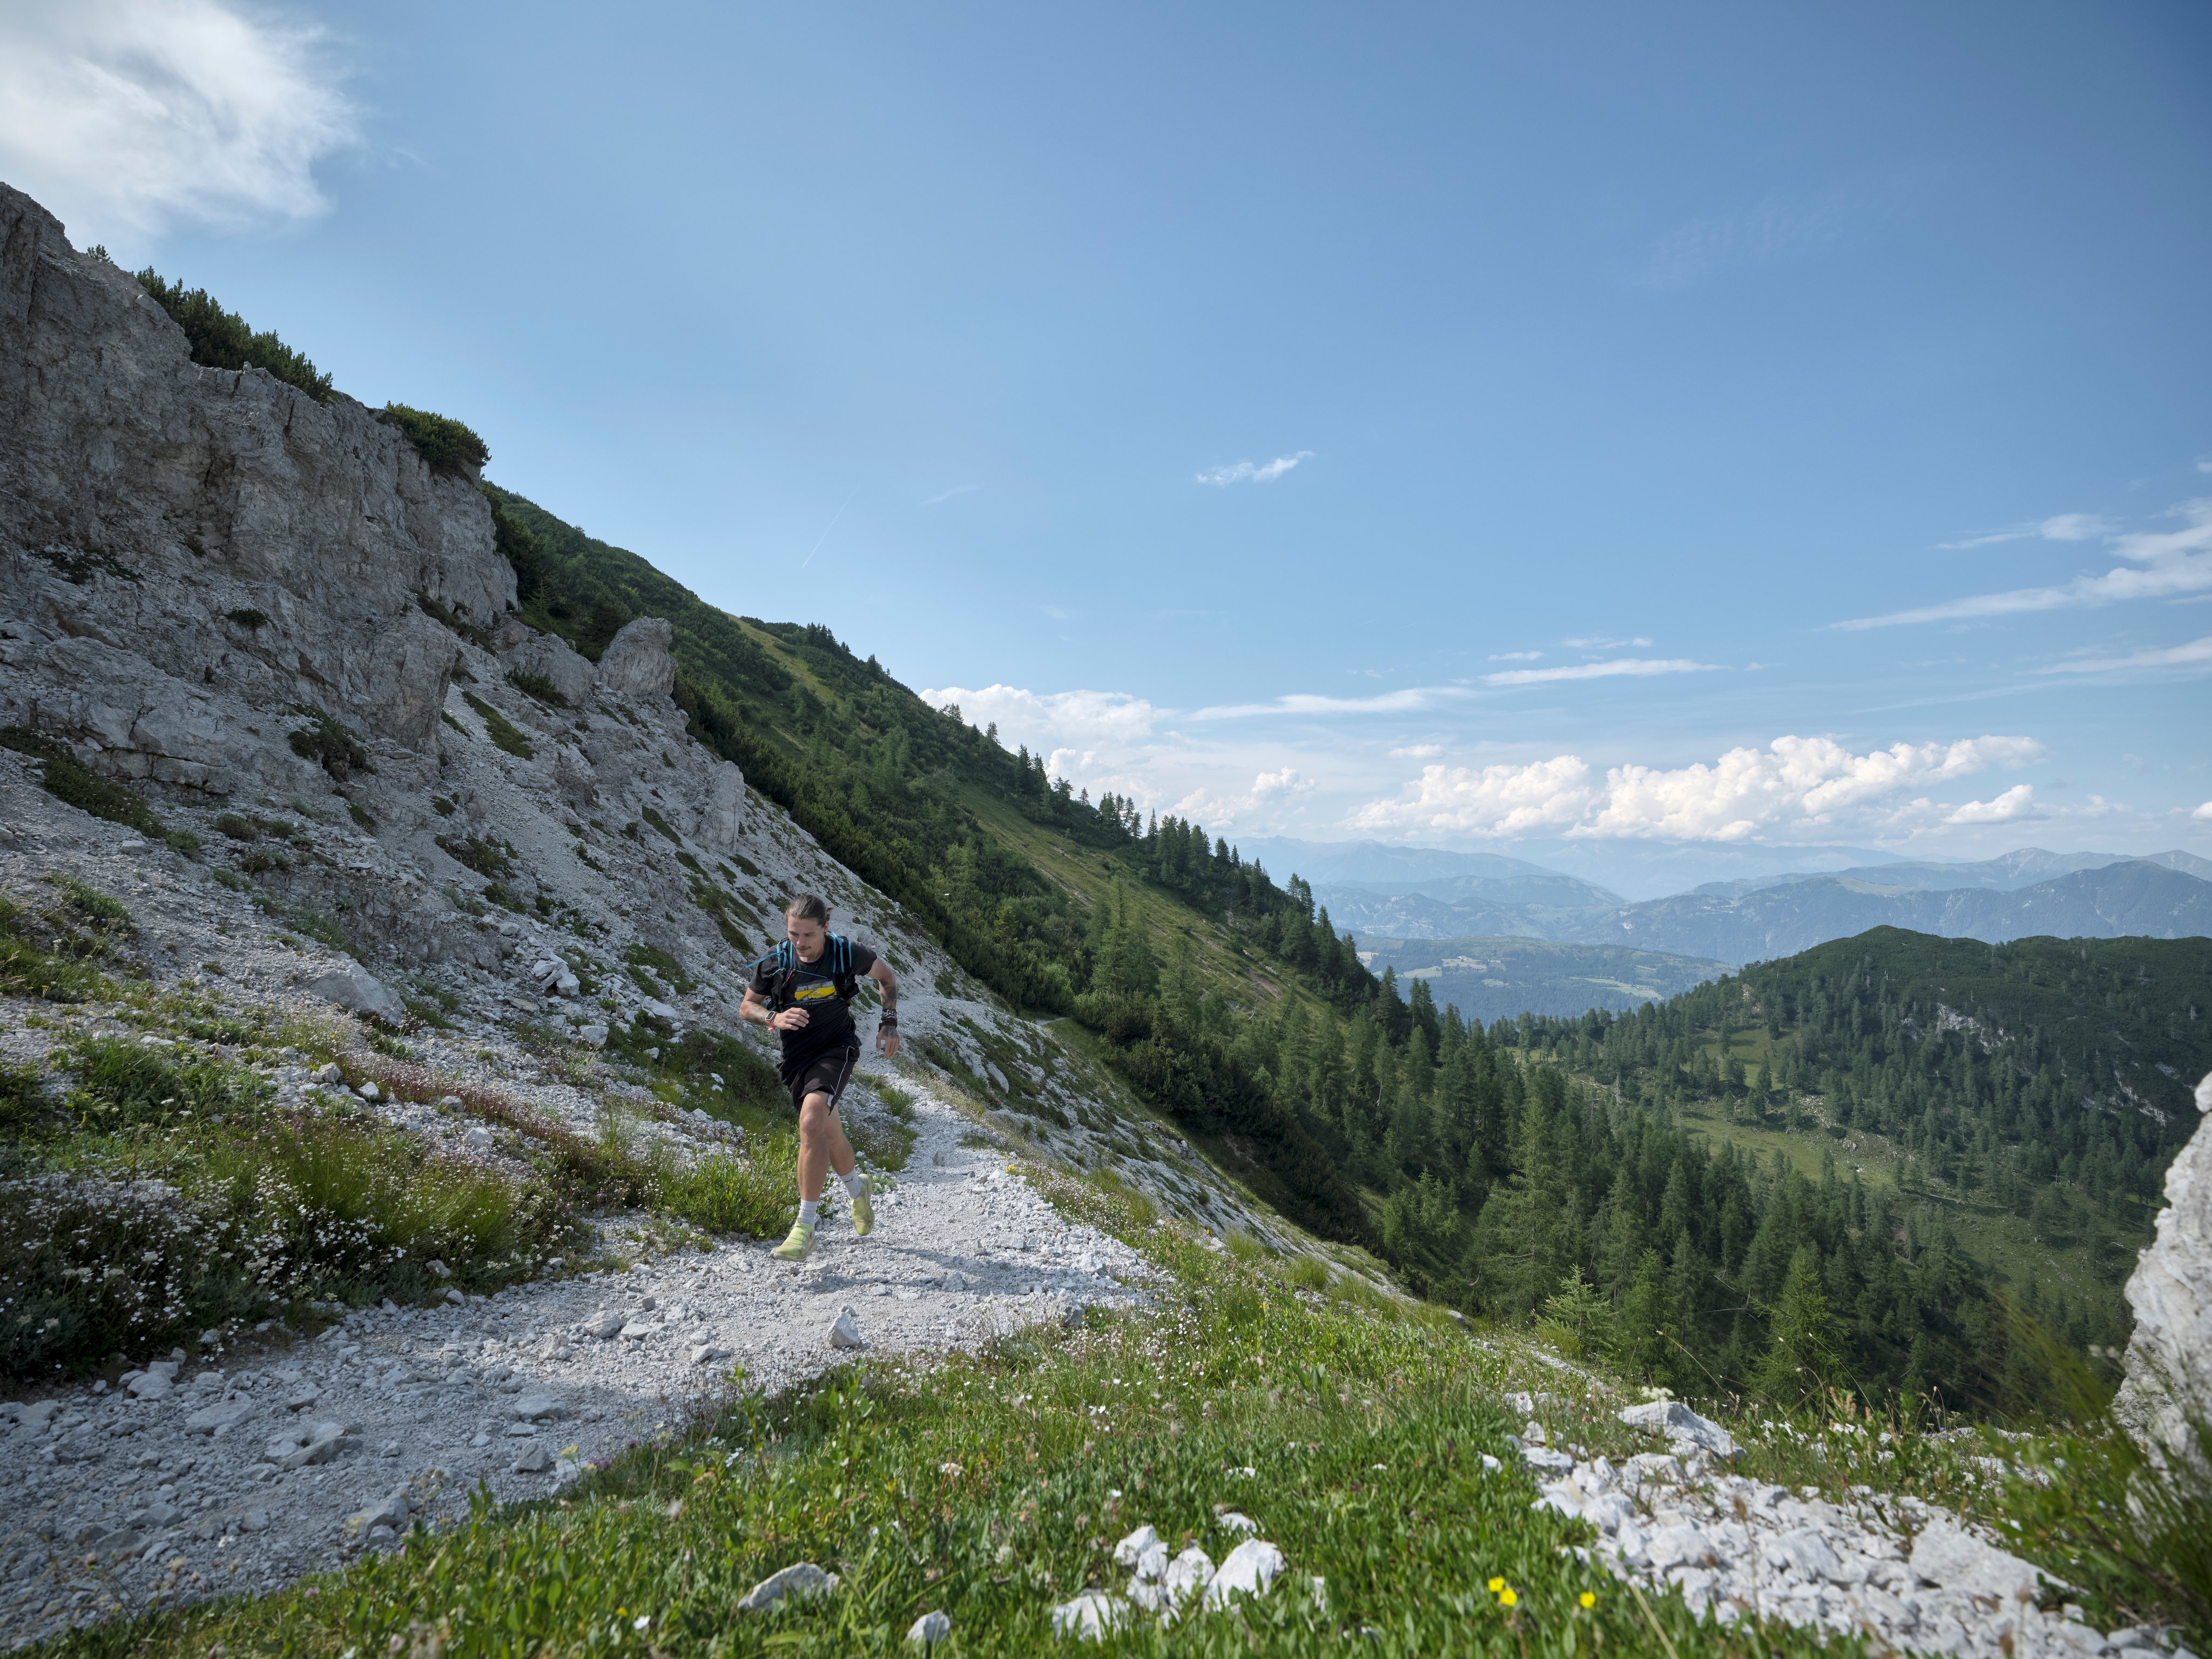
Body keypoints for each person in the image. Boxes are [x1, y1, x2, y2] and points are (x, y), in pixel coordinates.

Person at [740, 892, 900, 1262]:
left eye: (808, 936)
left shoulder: (846, 953)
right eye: (794, 934)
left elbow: (887, 977)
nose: (800, 943)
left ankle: (804, 1229)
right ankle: (859, 1191)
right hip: (797, 1058)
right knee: (829, 1132)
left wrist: (889, 1023)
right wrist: (773, 1018)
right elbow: (747, 1006)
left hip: (837, 1048)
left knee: (811, 1122)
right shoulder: (776, 962)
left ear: (825, 929)